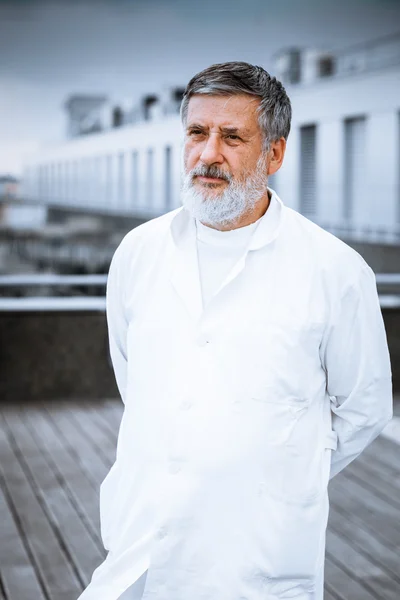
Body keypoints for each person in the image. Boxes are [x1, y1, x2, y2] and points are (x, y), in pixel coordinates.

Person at [78, 62, 393, 600]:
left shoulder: (335, 271)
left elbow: (365, 410)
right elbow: (136, 380)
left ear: (273, 154)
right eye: (197, 133)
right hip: (140, 550)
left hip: (255, 562)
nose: (207, 154)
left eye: (232, 137)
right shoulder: (138, 252)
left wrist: (279, 466)